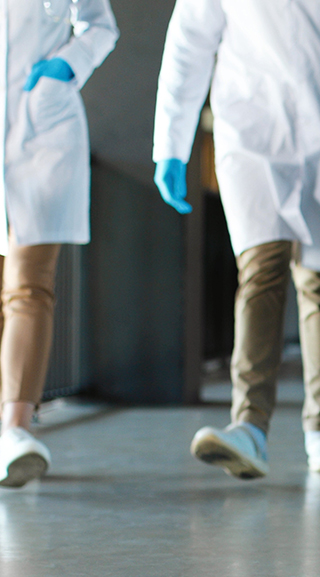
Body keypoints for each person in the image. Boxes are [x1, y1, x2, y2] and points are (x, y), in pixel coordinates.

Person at [152, 0, 320, 478]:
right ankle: (250, 427)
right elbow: (189, 41)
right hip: (251, 123)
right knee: (261, 267)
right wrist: (172, 143)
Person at [0, 0, 118, 488]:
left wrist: (65, 67)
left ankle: (16, 430)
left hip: (39, 131)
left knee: (29, 285)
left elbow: (101, 26)